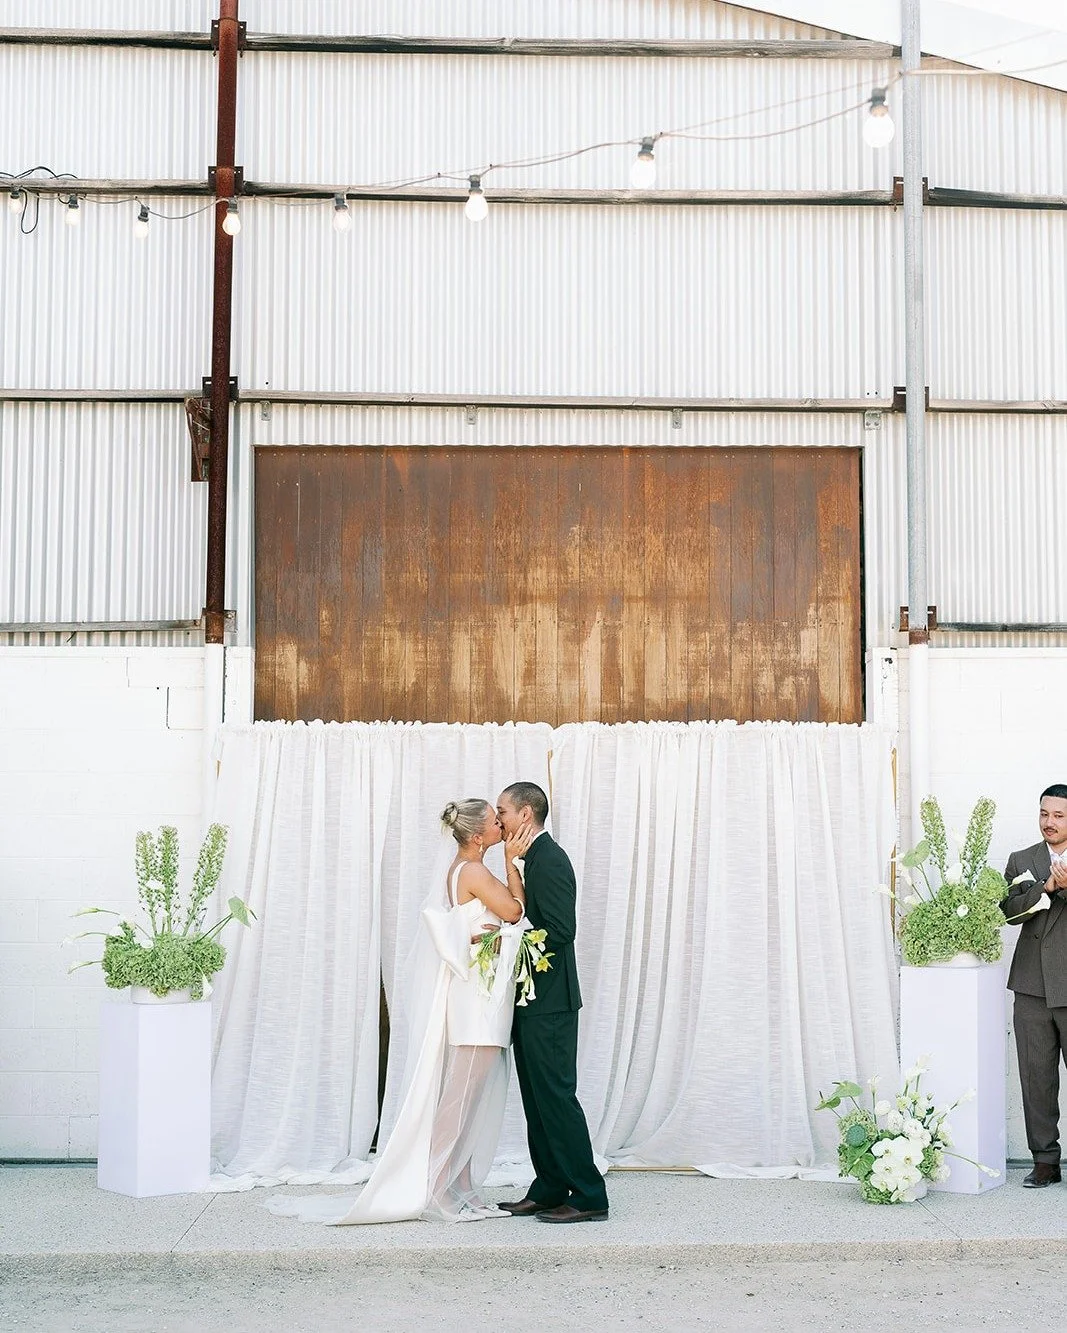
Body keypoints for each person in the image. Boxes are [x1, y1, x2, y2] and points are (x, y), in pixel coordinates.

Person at [268, 798, 534, 1224]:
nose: (502, 827)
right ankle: (435, 1190)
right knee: (460, 1101)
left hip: (480, 998)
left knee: (469, 1100)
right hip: (476, 1005)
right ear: (479, 836)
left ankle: (460, 1186)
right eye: (494, 822)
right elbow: (515, 912)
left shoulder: (460, 869)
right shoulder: (475, 871)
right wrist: (511, 864)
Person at [495, 781, 609, 1223]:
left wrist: (509, 937)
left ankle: (588, 1195)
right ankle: (547, 1187)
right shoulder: (531, 860)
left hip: (552, 1003)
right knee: (536, 1099)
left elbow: (562, 932)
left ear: (526, 814)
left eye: (503, 810)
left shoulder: (550, 860)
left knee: (556, 1097)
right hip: (533, 1000)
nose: (498, 817)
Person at [1000, 783, 1067, 1188]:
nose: (1049, 822)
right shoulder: (1022, 859)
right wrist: (1045, 888)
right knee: (1036, 1077)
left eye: (1058, 815)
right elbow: (1009, 913)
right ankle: (1044, 1160)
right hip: (1031, 986)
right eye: (1044, 814)